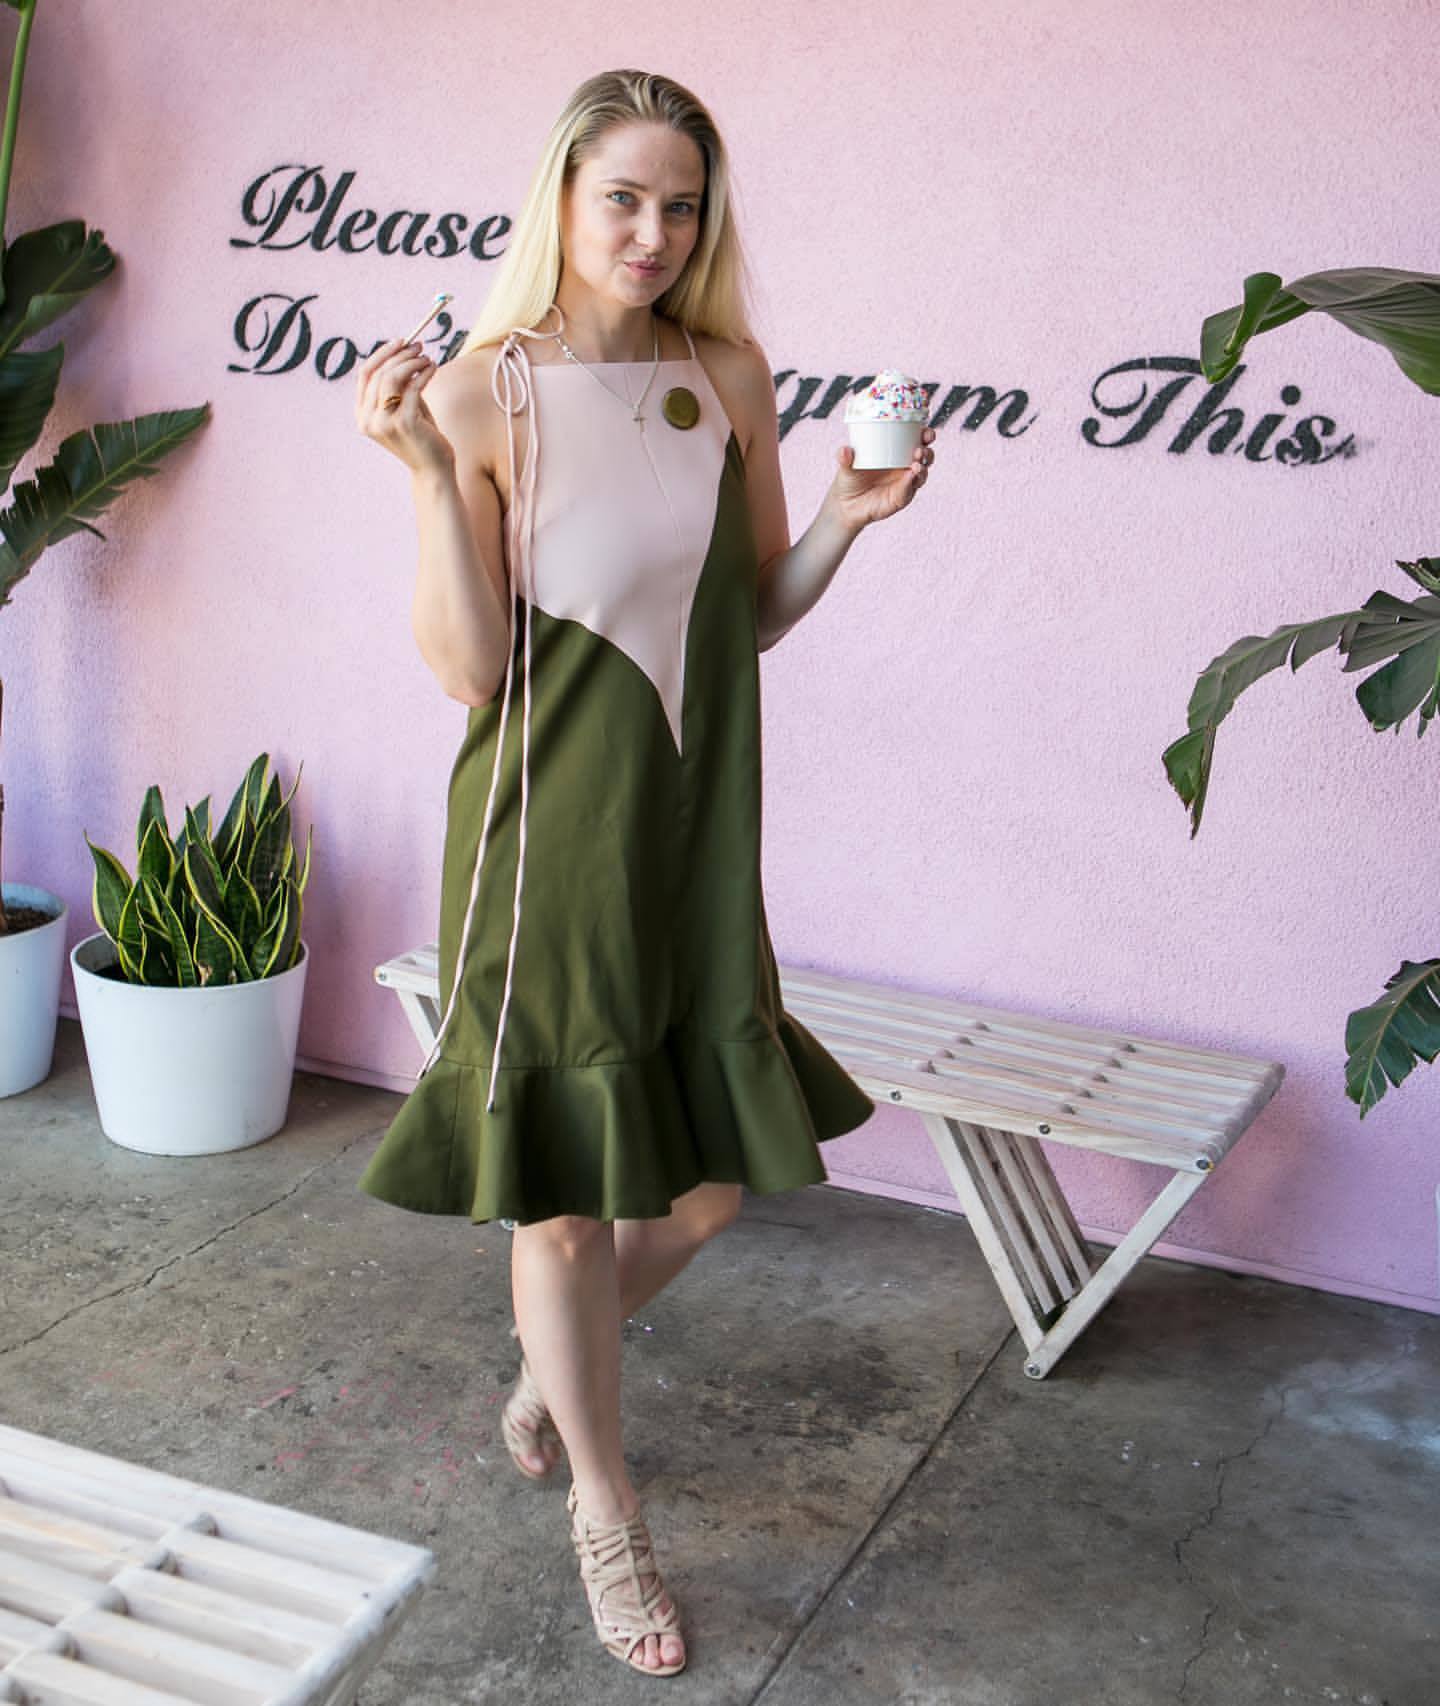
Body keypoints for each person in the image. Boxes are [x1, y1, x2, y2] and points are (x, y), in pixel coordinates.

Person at [353, 67, 937, 1679]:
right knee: (556, 1206)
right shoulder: (481, 395)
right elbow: (471, 672)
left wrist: (845, 518)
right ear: (561, 196)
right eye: (622, 197)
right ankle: (606, 1512)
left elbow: (744, 616)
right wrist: (425, 475)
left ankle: (560, 1366)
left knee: (704, 1188)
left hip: (690, 836)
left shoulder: (726, 375)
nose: (652, 232)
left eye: (681, 205)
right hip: (542, 841)